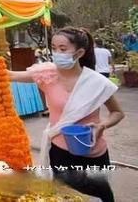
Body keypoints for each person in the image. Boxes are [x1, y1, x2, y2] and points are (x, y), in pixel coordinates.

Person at [9, 27, 124, 202]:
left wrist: (102, 125)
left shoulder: (96, 81)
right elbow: (10, 75)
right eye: (54, 48)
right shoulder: (47, 75)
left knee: (100, 196)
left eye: (62, 49)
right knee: (65, 196)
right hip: (60, 152)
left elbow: (117, 113)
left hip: (93, 153)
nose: (57, 53)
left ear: (79, 53)